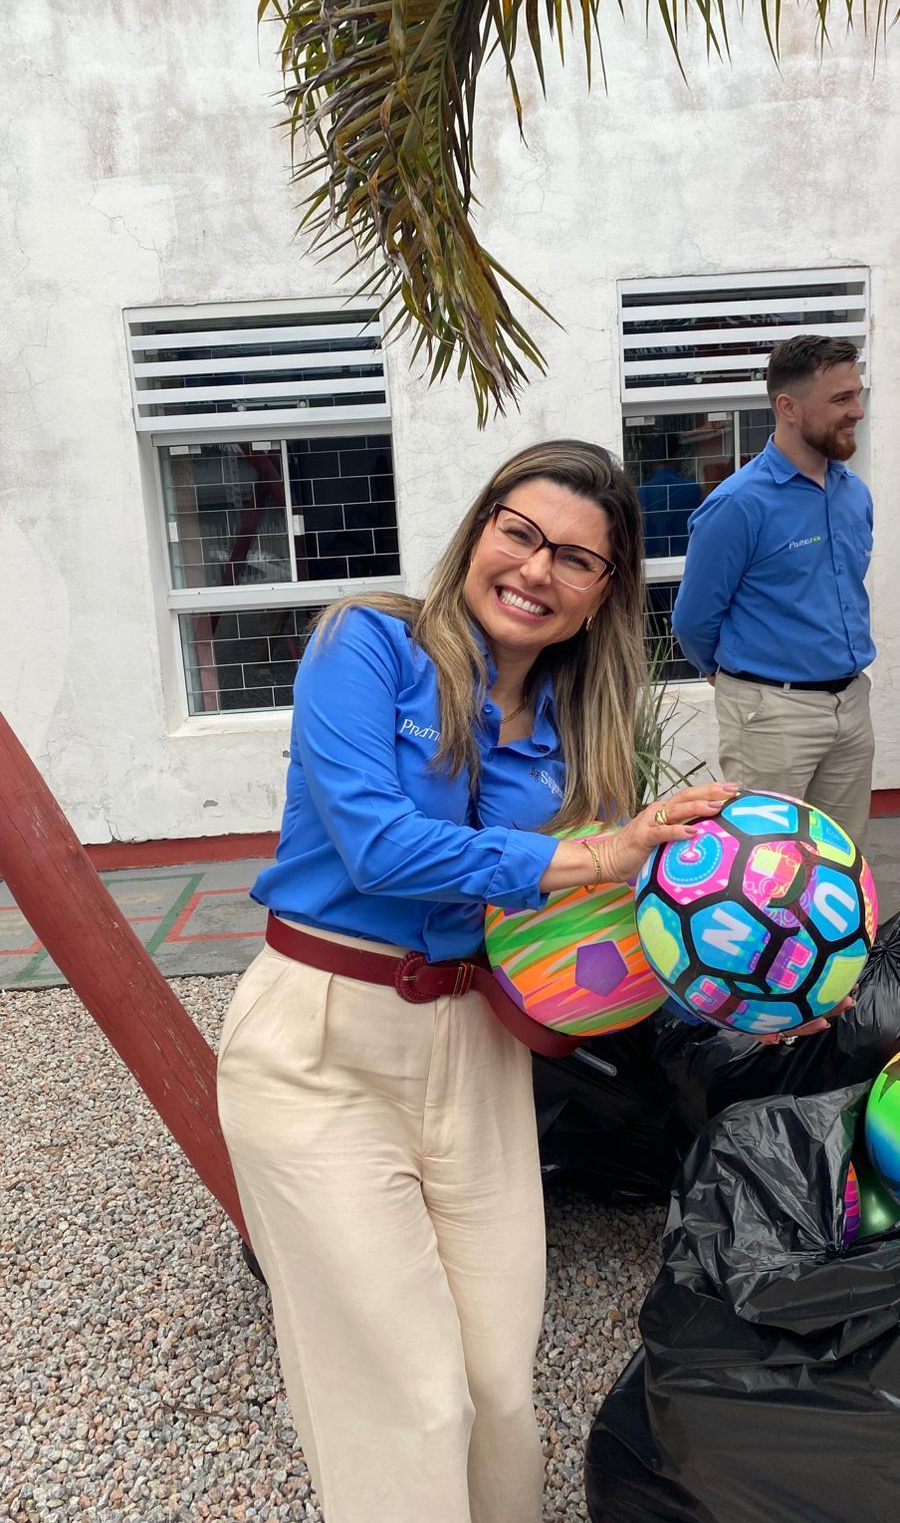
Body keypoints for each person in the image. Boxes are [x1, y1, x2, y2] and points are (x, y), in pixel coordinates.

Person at [216, 439, 739, 1523]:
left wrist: (729, 928)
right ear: (479, 534)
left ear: (602, 596)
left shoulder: (569, 730)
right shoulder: (368, 645)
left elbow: (578, 927)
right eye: (521, 532)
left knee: (499, 1385)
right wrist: (598, 853)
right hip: (320, 1044)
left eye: (577, 559)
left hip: (481, 1050)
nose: (538, 569)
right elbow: (378, 845)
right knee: (410, 1399)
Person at [672, 335, 875, 851]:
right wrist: (727, 676)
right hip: (771, 715)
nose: (856, 411)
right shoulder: (738, 505)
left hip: (851, 704)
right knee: (768, 867)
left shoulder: (853, 493)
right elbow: (694, 620)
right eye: (840, 400)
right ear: (788, 407)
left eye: (857, 395)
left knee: (841, 859)